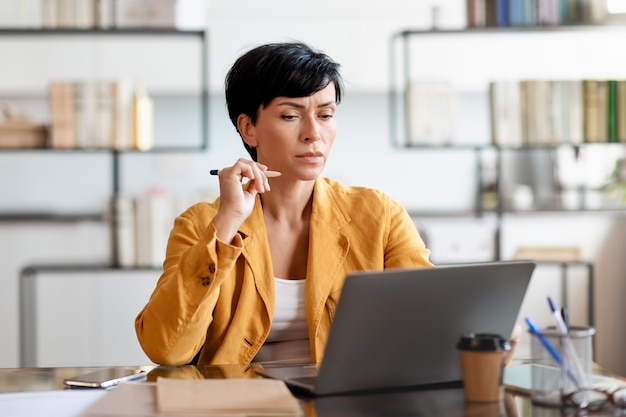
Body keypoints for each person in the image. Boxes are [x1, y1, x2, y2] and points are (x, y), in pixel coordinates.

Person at [136, 41, 432, 367]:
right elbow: (166, 349)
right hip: (240, 403)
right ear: (248, 128)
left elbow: (433, 322)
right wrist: (227, 222)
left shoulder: (380, 215)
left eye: (326, 114)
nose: (313, 133)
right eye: (290, 115)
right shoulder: (200, 225)